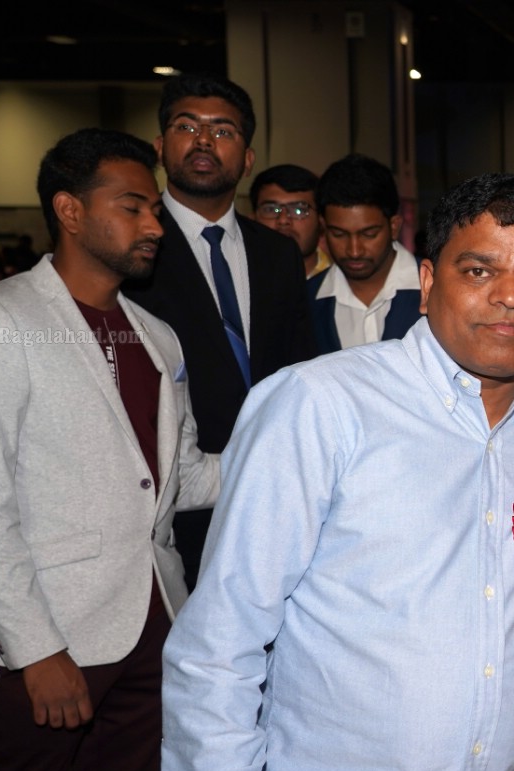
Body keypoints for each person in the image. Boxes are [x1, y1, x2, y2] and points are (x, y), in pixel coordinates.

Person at [161, 173, 514, 771]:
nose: (510, 297)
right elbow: (221, 640)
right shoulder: (319, 406)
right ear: (427, 278)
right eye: (479, 270)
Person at [0, 128, 220, 771]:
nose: (154, 223)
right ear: (69, 210)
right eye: (133, 206)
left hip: (154, 630)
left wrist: (295, 459)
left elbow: (178, 478)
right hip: (46, 647)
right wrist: (34, 647)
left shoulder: (158, 338)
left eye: (154, 207)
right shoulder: (1, 320)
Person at [123, 72, 315, 587]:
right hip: (170, 506)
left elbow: (300, 369)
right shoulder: (135, 250)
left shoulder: (276, 254)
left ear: (247, 157)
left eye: (223, 130)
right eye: (188, 127)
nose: (205, 140)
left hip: (277, 495)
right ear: (161, 147)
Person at [307, 153, 422, 354]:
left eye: (369, 234)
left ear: (394, 226)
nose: (354, 250)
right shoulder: (305, 301)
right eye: (339, 234)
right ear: (323, 227)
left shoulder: (440, 288)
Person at [250, 163, 329, 278]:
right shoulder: (235, 280)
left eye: (298, 210)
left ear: (321, 220)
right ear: (252, 218)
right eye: (271, 209)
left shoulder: (344, 282)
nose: (283, 220)